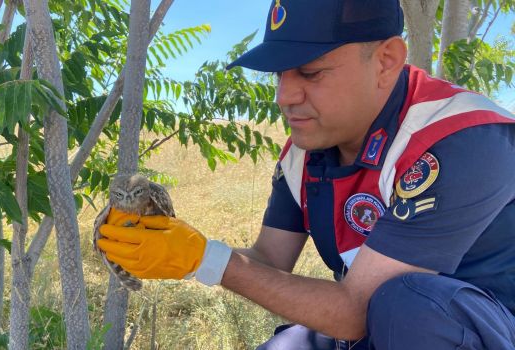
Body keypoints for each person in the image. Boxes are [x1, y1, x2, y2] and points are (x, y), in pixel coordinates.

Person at [97, 0, 515, 348]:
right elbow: (269, 260)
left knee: (409, 306)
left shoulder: (460, 139)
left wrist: (210, 261)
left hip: (474, 328)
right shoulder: (305, 153)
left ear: (386, 60)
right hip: (376, 325)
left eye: (310, 72)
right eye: (280, 73)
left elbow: (355, 312)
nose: (284, 97)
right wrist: (182, 249)